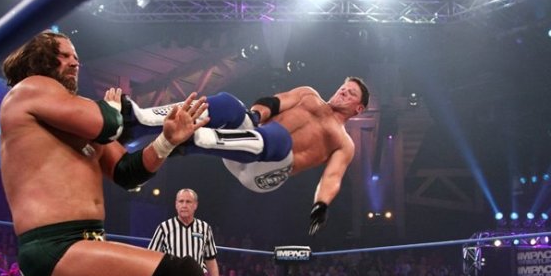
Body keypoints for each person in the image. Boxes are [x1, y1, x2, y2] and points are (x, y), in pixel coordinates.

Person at [0, 30, 208, 276]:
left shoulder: (75, 114)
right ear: (41, 58)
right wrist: (111, 109)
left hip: (86, 244)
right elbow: (108, 122)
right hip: (56, 247)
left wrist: (167, 141)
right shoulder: (30, 88)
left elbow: (127, 172)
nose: (75, 61)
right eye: (65, 55)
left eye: (76, 55)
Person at [129, 77, 370, 235]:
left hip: (266, 172)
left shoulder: (344, 142)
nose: (343, 92)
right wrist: (254, 115)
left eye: (350, 94)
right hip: (245, 145)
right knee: (230, 104)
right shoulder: (308, 95)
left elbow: (332, 177)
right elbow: (274, 102)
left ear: (358, 108)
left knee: (281, 138)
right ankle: (142, 120)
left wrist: (321, 205)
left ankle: (194, 140)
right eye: (343, 88)